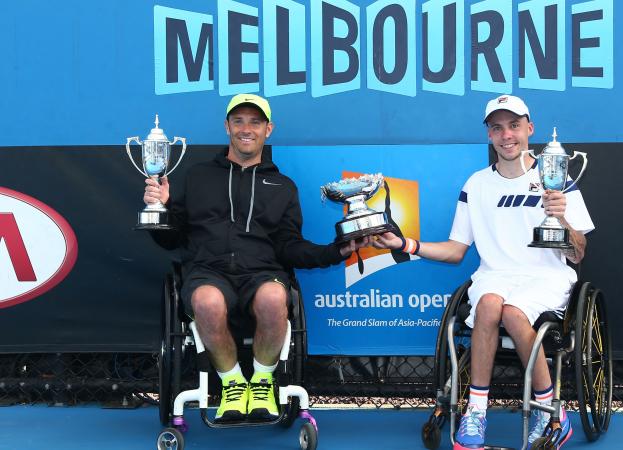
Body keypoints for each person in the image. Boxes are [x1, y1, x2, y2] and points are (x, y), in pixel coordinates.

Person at [373, 95, 593, 450]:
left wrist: (561, 217)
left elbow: (579, 252)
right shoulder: (476, 184)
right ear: (489, 135)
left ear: (529, 129)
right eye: (497, 128)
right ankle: (476, 410)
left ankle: (550, 412)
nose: (507, 135)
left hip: (547, 278)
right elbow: (456, 250)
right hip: (495, 275)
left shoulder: (557, 176)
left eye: (514, 126)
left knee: (512, 311)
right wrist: (406, 245)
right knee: (490, 303)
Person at [143, 94, 367, 422]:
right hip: (208, 271)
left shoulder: (283, 186)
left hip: (262, 273)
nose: (246, 129)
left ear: (268, 129)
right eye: (239, 121)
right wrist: (160, 209)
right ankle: (233, 385)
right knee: (206, 301)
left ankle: (262, 384)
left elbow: (290, 247)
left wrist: (336, 251)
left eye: (255, 122)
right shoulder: (197, 177)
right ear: (227, 127)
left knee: (276, 296)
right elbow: (171, 240)